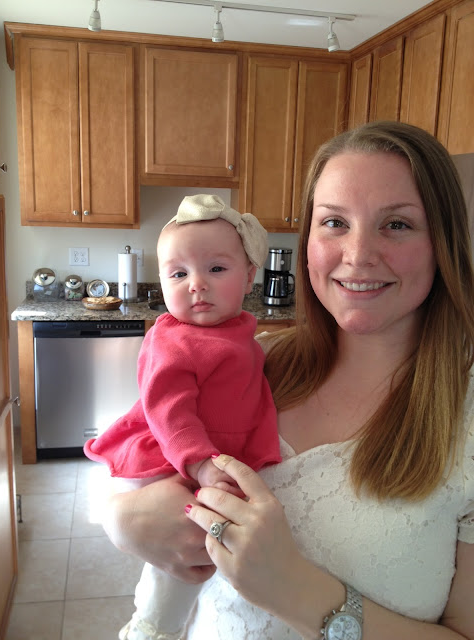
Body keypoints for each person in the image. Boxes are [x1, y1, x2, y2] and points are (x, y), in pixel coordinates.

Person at [101, 121, 474, 640]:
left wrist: (294, 589)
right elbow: (148, 441)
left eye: (397, 224)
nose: (358, 254)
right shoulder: (254, 360)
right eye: (335, 222)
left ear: (442, 242)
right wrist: (123, 520)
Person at [84, 194, 281, 640]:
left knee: (201, 552)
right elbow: (168, 409)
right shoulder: (173, 339)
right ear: (162, 281)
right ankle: (154, 626)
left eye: (216, 269)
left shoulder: (240, 330)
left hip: (208, 455)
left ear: (250, 275)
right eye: (179, 274)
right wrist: (200, 464)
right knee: (181, 555)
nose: (197, 284)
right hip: (174, 456)